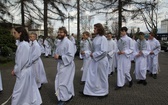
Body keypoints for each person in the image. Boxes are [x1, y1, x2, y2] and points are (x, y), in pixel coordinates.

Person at [11, 27, 42, 105]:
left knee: (18, 92)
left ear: (20, 33)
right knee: (27, 90)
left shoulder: (24, 45)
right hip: (25, 71)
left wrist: (15, 70)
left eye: (15, 33)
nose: (13, 34)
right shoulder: (23, 44)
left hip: (23, 71)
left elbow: (21, 61)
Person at [82, 23, 109, 97]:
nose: (94, 30)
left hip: (101, 60)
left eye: (95, 28)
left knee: (102, 76)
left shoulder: (103, 38)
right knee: (93, 76)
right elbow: (93, 50)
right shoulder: (95, 38)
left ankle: (104, 92)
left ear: (99, 29)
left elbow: (104, 51)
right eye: (94, 28)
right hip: (95, 60)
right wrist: (86, 53)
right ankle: (91, 91)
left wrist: (93, 55)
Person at [54, 27, 75, 105]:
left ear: (65, 33)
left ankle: (64, 98)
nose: (59, 34)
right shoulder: (60, 42)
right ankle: (67, 95)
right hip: (61, 64)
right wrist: (56, 55)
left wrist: (59, 57)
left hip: (67, 65)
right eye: (58, 32)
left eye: (61, 32)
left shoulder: (68, 43)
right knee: (63, 81)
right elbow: (57, 52)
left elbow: (71, 56)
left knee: (63, 82)